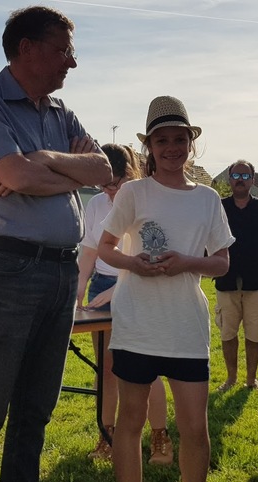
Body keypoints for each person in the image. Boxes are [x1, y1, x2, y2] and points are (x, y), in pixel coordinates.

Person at [0, 6, 112, 482]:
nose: (72, 62)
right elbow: (15, 176)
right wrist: (61, 171)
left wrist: (41, 160)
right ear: (27, 49)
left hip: (61, 272)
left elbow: (103, 171)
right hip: (7, 268)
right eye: (63, 51)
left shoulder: (62, 113)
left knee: (36, 409)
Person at [97, 96, 233, 482]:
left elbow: (222, 263)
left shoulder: (207, 198)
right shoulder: (133, 193)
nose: (172, 148)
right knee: (130, 422)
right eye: (162, 140)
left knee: (195, 429)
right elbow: (105, 248)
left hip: (186, 328)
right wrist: (133, 264)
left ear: (191, 143)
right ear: (149, 147)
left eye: (179, 139)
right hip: (137, 325)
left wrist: (188, 262)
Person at [76, 143, 173, 465]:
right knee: (107, 368)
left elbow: (154, 256)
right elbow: (90, 250)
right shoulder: (97, 205)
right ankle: (107, 437)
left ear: (130, 173)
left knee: (146, 366)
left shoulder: (148, 199)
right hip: (101, 288)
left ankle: (159, 438)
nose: (108, 191)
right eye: (102, 186)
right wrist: (79, 286)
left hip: (140, 285)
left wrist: (120, 287)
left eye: (114, 184)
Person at [213, 159, 258, 392]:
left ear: (252, 181)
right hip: (226, 279)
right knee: (228, 332)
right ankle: (230, 379)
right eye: (236, 176)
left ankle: (251, 380)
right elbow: (206, 234)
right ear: (229, 179)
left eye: (245, 177)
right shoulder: (219, 207)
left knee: (254, 333)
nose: (240, 180)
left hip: (255, 281)